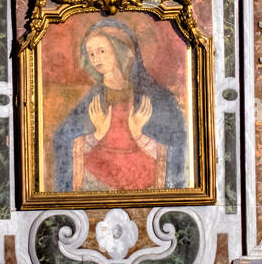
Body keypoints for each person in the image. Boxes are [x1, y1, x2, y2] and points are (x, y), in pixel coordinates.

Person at [52, 18, 187, 193]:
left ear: (122, 51)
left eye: (102, 51)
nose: (96, 59)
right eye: (91, 53)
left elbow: (179, 143)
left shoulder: (156, 97)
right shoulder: (92, 98)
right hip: (97, 183)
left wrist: (139, 135)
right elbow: (62, 139)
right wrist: (96, 135)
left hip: (146, 186)